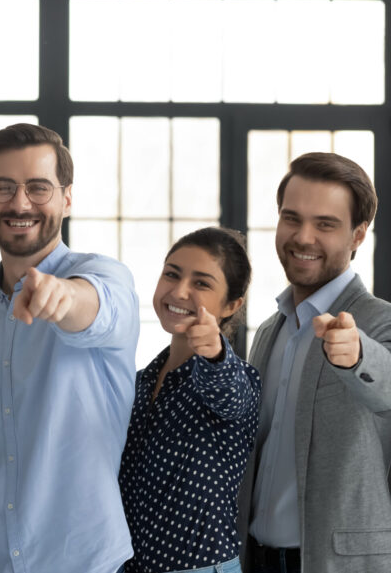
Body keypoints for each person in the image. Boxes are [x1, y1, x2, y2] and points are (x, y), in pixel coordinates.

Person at [0, 123, 140, 573]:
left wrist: (61, 297)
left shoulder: (105, 278)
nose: (20, 203)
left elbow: (92, 307)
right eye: (4, 188)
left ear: (66, 198)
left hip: (82, 563)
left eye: (38, 188)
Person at [236, 152, 391, 573]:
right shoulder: (269, 331)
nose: (303, 237)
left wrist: (357, 355)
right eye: (291, 218)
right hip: (256, 559)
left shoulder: (383, 322)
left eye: (325, 224)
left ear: (358, 235)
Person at [119, 227, 260, 573]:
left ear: (231, 305)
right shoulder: (139, 382)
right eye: (171, 274)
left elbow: (228, 393)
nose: (179, 291)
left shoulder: (236, 377)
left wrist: (213, 352)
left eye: (201, 283)